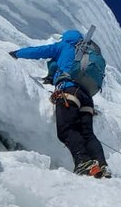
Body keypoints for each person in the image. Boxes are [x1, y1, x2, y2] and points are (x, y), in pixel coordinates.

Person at [10, 29, 110, 177]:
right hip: (87, 97)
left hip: (69, 90)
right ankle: (102, 165)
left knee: (66, 129)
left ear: (66, 37)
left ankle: (83, 162)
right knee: (88, 134)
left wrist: (16, 53)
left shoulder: (64, 46)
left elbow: (38, 51)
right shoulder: (86, 51)